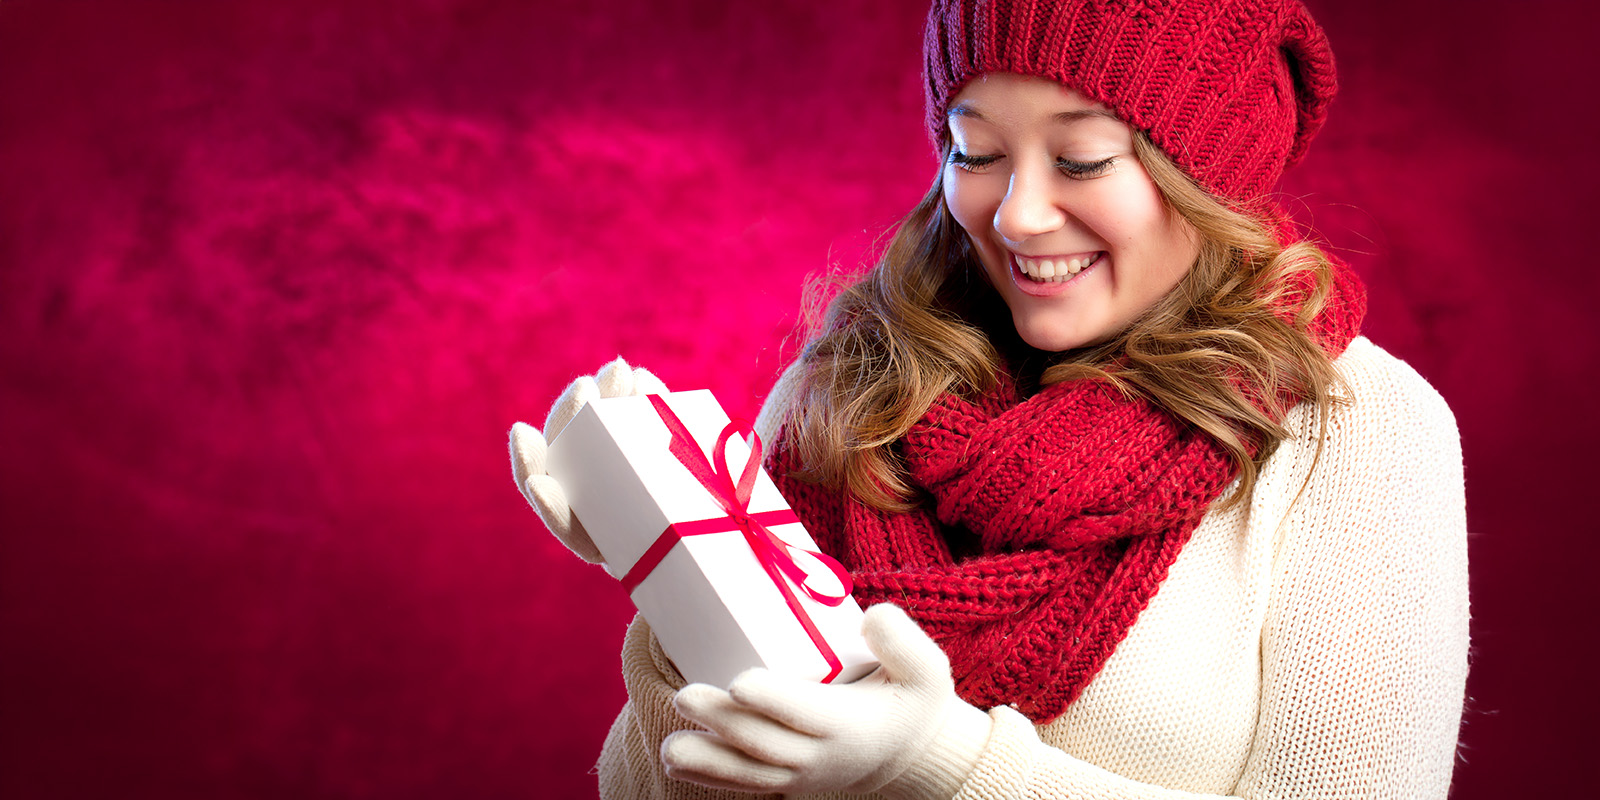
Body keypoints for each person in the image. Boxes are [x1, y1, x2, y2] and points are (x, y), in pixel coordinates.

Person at [509, 0, 1469, 797]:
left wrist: (945, 767)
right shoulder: (848, 389)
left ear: (1209, 174)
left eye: (1083, 160)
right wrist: (681, 586)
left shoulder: (1358, 431)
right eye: (974, 154)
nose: (1017, 214)